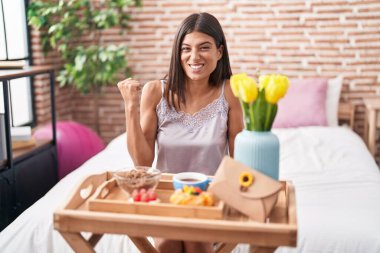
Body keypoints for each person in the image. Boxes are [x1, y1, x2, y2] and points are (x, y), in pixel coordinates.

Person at [118, 12, 243, 253]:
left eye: (204, 48)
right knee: (168, 243)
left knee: (196, 241)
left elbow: (238, 157)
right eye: (186, 49)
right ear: (178, 53)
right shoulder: (155, 91)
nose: (194, 57)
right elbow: (142, 161)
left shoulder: (230, 90)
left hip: (210, 199)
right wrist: (130, 106)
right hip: (166, 199)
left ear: (219, 51)